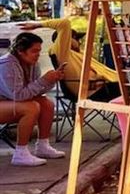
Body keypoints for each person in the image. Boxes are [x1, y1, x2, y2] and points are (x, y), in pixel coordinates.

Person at [0, 32, 67, 166]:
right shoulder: (7, 64)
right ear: (21, 51)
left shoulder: (32, 63)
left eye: (39, 51)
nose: (38, 54)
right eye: (34, 51)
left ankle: (43, 146)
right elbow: (18, 96)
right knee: (31, 107)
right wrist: (43, 80)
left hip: (10, 102)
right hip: (6, 101)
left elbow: (35, 91)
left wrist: (51, 80)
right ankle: (20, 153)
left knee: (47, 103)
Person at [19, 18, 120, 101]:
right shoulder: (61, 52)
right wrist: (38, 24)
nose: (79, 42)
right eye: (76, 38)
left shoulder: (77, 54)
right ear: (67, 40)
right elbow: (64, 23)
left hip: (105, 85)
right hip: (92, 90)